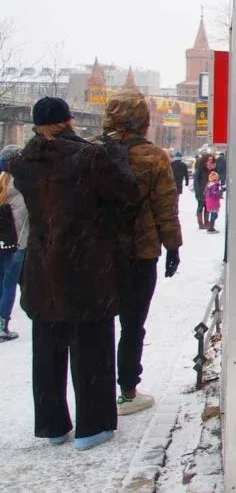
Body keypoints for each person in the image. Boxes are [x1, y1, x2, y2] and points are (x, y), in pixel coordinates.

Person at [1, 97, 139, 451]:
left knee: (47, 348)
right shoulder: (89, 158)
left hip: (42, 268)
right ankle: (93, 427)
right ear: (69, 120)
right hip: (86, 268)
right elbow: (128, 195)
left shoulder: (22, 162)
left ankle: (52, 425)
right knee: (91, 346)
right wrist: (118, 156)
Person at [101, 89, 183, 417]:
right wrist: (173, 246)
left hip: (99, 252)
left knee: (100, 321)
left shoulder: (95, 153)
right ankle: (128, 390)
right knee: (133, 323)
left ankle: (96, 389)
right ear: (143, 120)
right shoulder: (155, 158)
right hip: (141, 251)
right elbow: (166, 207)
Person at [0, 162, 28, 341]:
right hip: (18, 243)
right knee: (9, 284)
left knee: (1, 281)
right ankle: (2, 324)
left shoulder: (2, 182)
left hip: (2, 242)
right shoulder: (22, 185)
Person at [193, 152, 210, 229]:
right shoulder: (200, 169)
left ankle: (206, 222)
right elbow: (196, 181)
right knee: (200, 206)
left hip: (208, 191)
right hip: (201, 191)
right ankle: (200, 223)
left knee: (207, 207)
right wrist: (199, 191)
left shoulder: (208, 169)